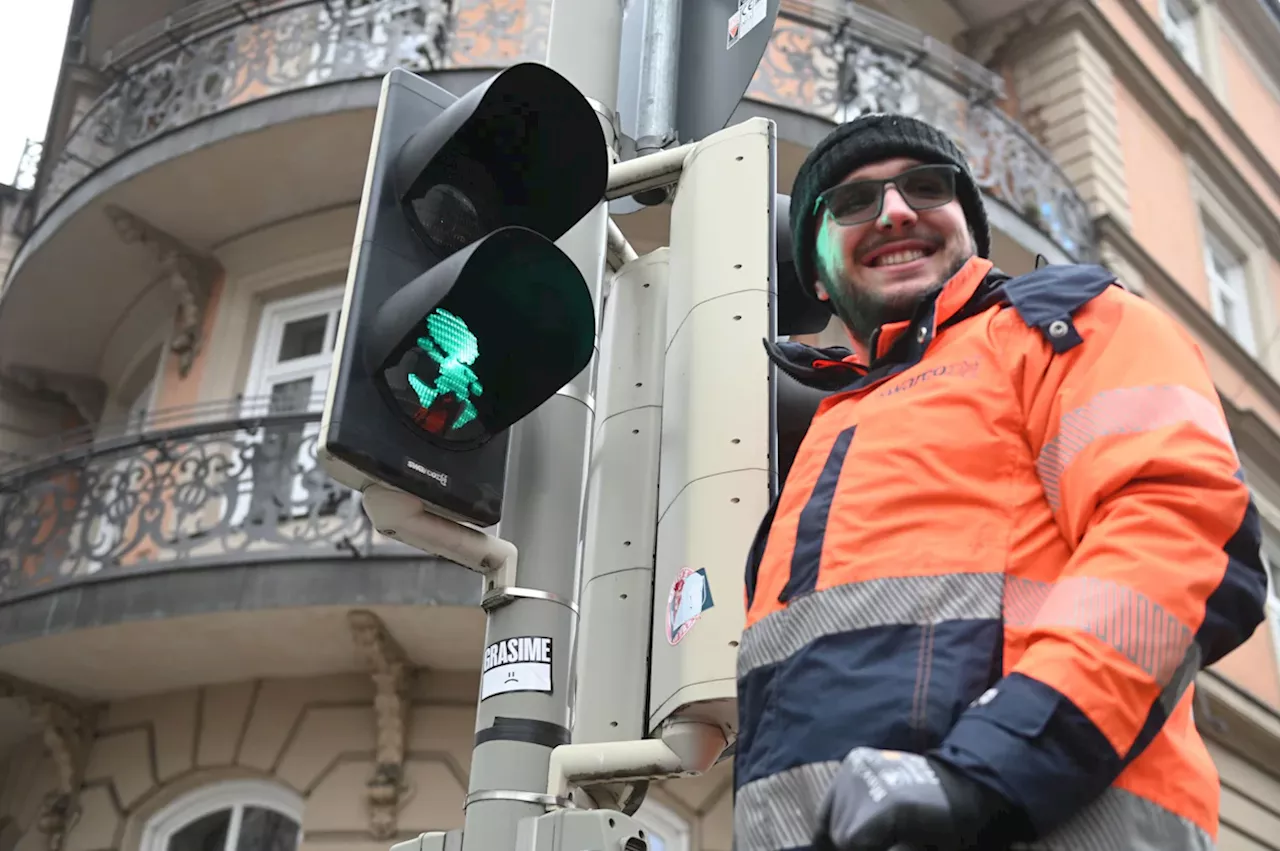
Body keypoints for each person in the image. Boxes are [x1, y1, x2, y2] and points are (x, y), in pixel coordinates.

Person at [732, 113, 1269, 851]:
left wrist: (986, 771)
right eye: (853, 203)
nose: (894, 211)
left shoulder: (1067, 325)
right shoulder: (826, 433)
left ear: (969, 233)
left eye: (926, 187)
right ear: (816, 279)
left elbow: (1178, 532)